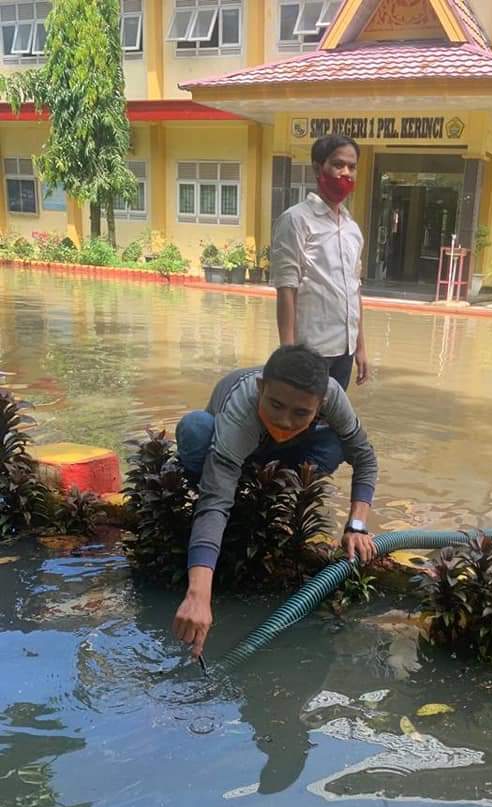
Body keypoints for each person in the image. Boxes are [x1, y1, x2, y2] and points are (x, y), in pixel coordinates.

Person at [172, 345, 378, 659]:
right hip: (227, 453)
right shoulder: (241, 407)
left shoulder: (334, 397)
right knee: (195, 429)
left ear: (320, 404)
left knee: (336, 444)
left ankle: (279, 493)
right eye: (276, 405)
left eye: (300, 412)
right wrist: (198, 595)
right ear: (260, 389)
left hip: (281, 452)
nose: (284, 420)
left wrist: (357, 525)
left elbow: (365, 457)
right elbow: (215, 503)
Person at [271, 135, 368, 391]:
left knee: (331, 421)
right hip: (310, 351)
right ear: (317, 168)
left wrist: (360, 347)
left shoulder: (352, 229)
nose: (346, 173)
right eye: (338, 164)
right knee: (301, 423)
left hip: (344, 349)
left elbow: (354, 290)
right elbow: (286, 288)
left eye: (352, 166)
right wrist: (288, 354)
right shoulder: (296, 220)